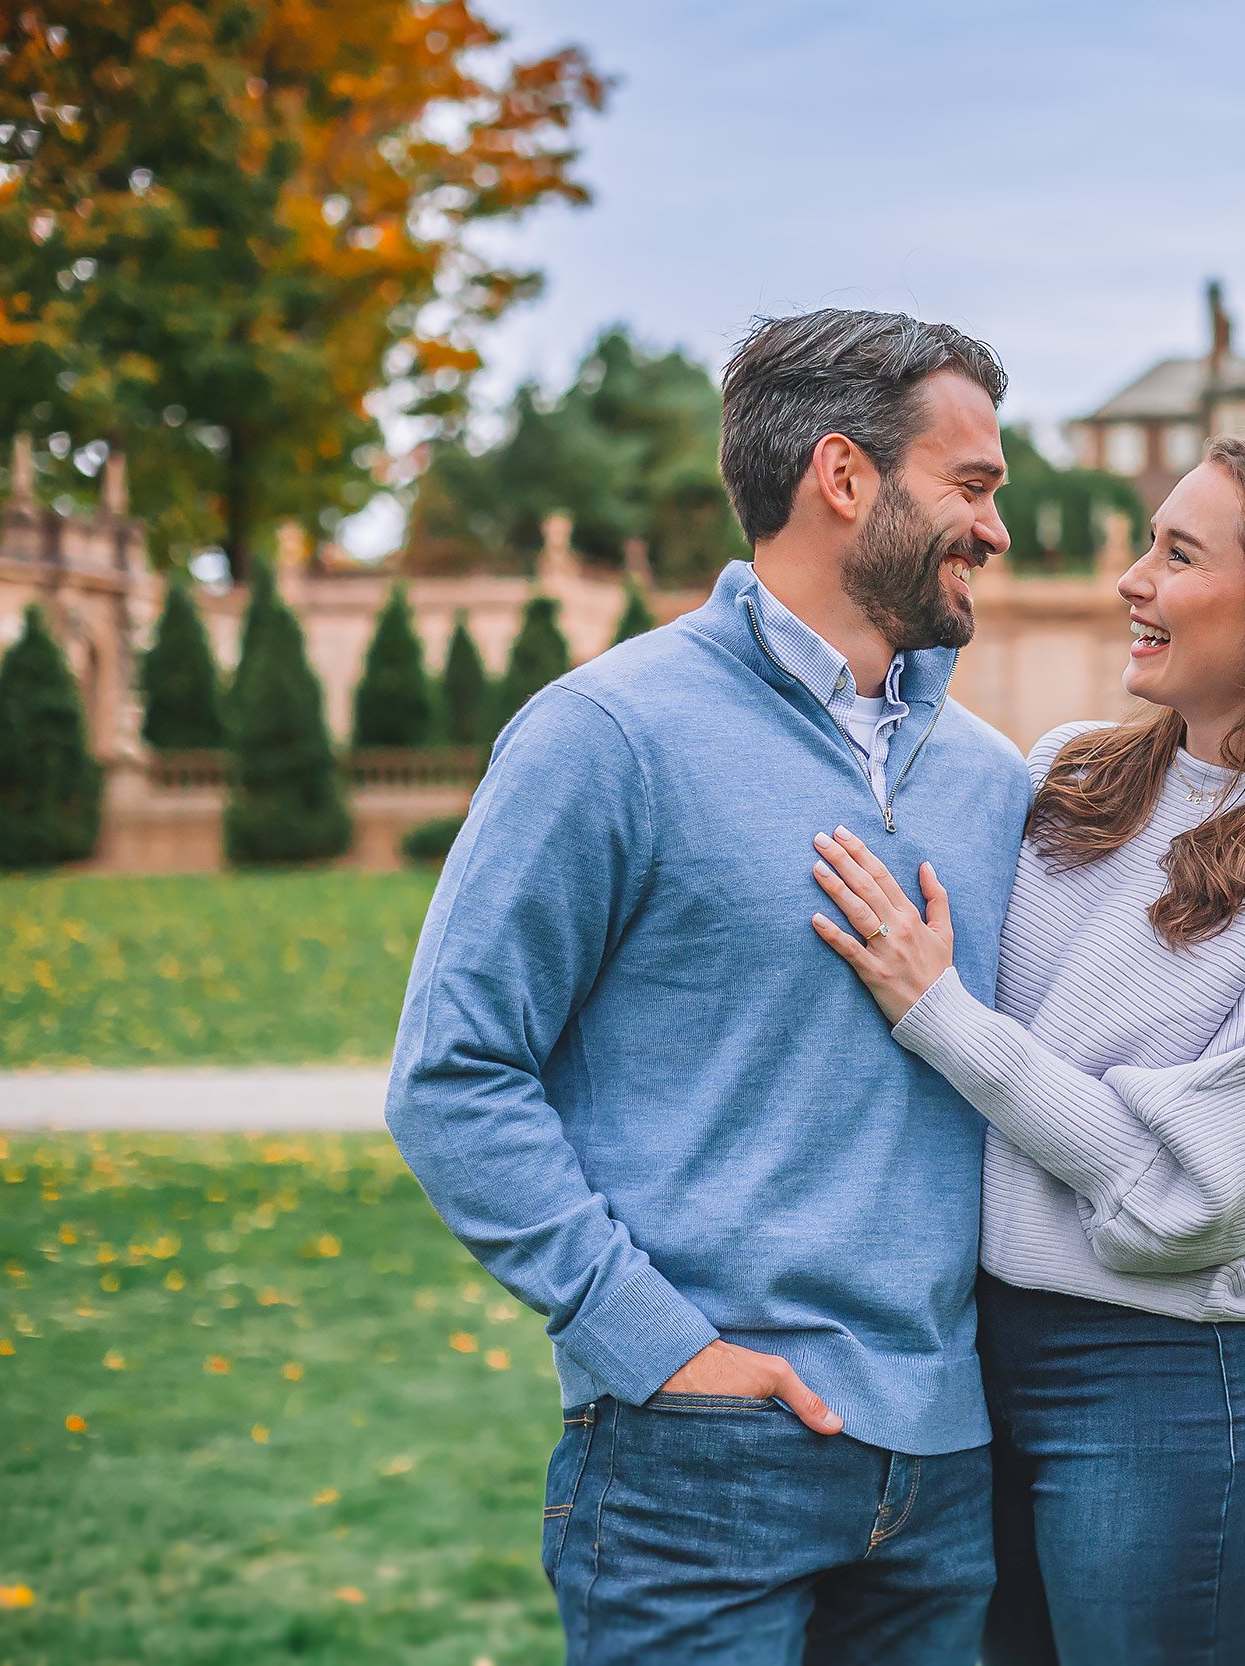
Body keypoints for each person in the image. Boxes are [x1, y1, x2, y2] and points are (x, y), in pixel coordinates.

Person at [384, 308, 1028, 1664]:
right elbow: (454, 1073)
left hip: (946, 1468)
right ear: (844, 478)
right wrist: (654, 1344)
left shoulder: (991, 777)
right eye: (971, 486)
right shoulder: (606, 736)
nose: (998, 527)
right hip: (697, 1465)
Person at [809, 432, 1245, 1665]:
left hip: (1173, 1390)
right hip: (968, 1359)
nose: (1131, 579)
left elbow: (1190, 1198)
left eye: (1177, 552)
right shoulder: (1068, 781)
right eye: (1148, 541)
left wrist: (947, 1022)